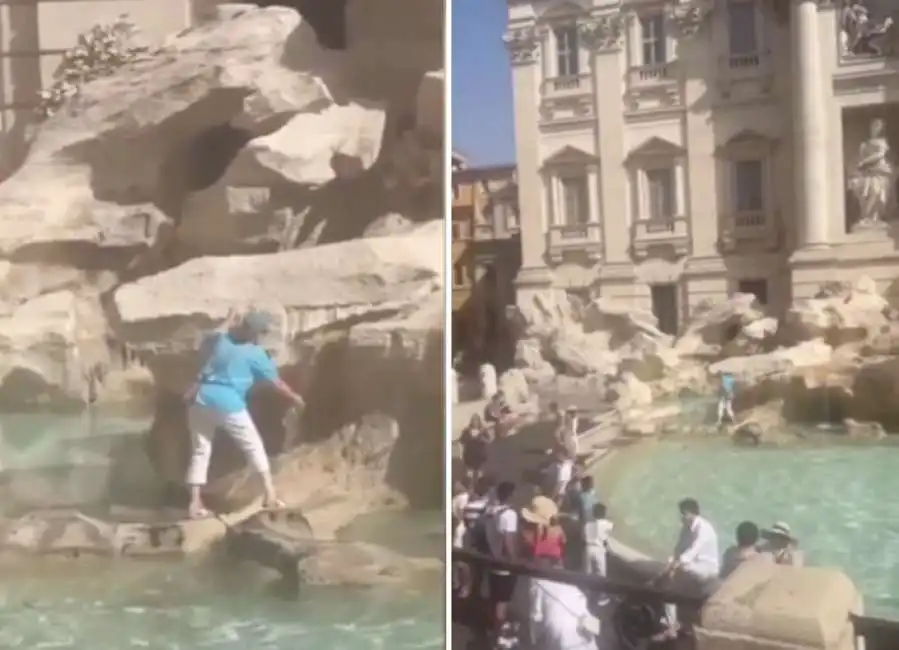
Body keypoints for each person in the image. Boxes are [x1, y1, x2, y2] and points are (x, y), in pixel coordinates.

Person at [183, 308, 305, 519]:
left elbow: (218, 330)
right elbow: (277, 383)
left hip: (201, 399)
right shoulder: (255, 353)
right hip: (228, 403)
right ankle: (270, 494)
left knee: (201, 451)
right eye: (261, 332)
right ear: (256, 332)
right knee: (254, 445)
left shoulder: (223, 341)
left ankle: (195, 504)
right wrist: (296, 398)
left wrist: (230, 317)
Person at [659, 498, 720, 637]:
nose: (681, 517)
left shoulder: (703, 529)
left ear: (692, 513)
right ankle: (673, 621)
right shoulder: (687, 528)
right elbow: (679, 549)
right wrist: (670, 562)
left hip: (706, 569)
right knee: (671, 577)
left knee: (670, 587)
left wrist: (673, 567)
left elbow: (691, 553)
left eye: (683, 514)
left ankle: (671, 626)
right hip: (694, 567)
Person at [529, 552, 600, 650]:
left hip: (563, 643)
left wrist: (534, 640)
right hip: (585, 643)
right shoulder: (575, 586)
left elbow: (536, 617)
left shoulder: (540, 584)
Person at [485, 480, 519, 632]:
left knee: (494, 596)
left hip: (491, 558)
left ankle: (493, 626)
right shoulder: (509, 514)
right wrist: (514, 561)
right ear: (511, 495)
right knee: (503, 600)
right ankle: (500, 632)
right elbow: (508, 540)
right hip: (504, 563)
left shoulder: (490, 511)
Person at [521, 495, 566, 563]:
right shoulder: (558, 529)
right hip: (554, 559)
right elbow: (564, 541)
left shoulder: (530, 529)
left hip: (537, 559)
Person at [584, 502, 613, 579]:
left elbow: (584, 536)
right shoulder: (606, 524)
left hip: (589, 547)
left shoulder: (589, 523)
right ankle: (600, 589)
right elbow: (613, 527)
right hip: (599, 549)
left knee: (587, 572)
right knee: (601, 573)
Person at [460, 413, 491, 482]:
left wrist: (482, 439)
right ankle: (469, 487)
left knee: (480, 475)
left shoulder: (483, 430)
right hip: (469, 456)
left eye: (477, 421)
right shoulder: (467, 431)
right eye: (474, 421)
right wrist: (468, 439)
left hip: (480, 456)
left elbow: (488, 441)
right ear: (471, 422)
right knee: (469, 475)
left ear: (479, 422)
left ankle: (480, 488)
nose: (475, 423)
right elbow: (461, 441)